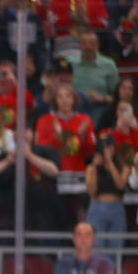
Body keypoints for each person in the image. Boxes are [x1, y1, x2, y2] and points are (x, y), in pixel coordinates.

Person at [35, 82, 96, 223]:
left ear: (74, 99)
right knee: (56, 219)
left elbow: (90, 152)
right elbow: (40, 150)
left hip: (78, 177)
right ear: (55, 100)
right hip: (53, 178)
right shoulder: (45, 120)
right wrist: (56, 137)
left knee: (79, 218)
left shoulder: (84, 121)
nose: (64, 100)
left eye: (68, 96)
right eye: (60, 97)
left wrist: (81, 136)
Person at [53, 222, 118, 274]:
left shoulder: (104, 263)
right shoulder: (63, 262)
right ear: (74, 238)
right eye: (79, 234)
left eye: (88, 235)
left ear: (94, 239)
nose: (83, 239)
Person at [85, 132, 130, 250]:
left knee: (116, 246)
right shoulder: (92, 168)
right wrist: (94, 168)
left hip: (117, 208)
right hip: (97, 207)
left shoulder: (123, 166)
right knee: (96, 246)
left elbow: (121, 185)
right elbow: (91, 192)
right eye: (105, 147)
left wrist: (110, 163)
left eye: (110, 147)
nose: (107, 151)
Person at [69, 31, 119, 128]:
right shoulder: (70, 63)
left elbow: (117, 97)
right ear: (80, 45)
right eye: (84, 43)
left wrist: (101, 98)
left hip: (100, 118)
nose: (88, 47)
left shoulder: (109, 65)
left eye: (92, 43)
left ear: (98, 45)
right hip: (72, 116)